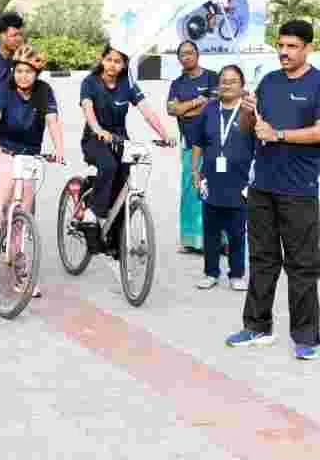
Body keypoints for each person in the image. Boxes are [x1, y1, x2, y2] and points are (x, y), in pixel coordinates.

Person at [227, 20, 320, 359]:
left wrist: (279, 134)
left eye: (292, 46)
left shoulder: (317, 83)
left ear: (307, 47)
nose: (283, 52)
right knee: (262, 259)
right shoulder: (268, 81)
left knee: (302, 265)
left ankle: (307, 337)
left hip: (300, 189)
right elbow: (248, 129)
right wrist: (249, 114)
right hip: (262, 187)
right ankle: (256, 327)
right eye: (281, 45)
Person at [0, 46, 66, 275]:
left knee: (23, 210)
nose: (23, 76)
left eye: (29, 71)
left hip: (27, 157)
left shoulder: (44, 91)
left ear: (37, 73)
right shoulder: (4, 90)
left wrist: (60, 149)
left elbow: (52, 121)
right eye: (19, 70)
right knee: (5, 180)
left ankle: (18, 259)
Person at [78, 44, 175, 255]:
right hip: (95, 138)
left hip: (120, 139)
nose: (113, 65)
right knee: (109, 165)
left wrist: (164, 135)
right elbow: (88, 109)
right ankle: (91, 214)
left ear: (124, 65)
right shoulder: (90, 82)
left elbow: (147, 111)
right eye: (109, 60)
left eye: (118, 61)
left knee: (125, 177)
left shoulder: (127, 83)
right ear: (102, 60)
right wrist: (97, 130)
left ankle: (115, 233)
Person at [191, 64, 252, 291]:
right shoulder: (208, 109)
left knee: (237, 233)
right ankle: (210, 272)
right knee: (211, 232)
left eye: (233, 80)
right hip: (211, 181)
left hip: (240, 183)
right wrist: (195, 171)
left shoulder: (248, 112)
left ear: (242, 85)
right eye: (223, 81)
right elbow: (197, 143)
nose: (227, 84)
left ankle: (237, 274)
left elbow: (260, 146)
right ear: (218, 85)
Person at [168, 40, 219, 254]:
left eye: (190, 53)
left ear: (198, 54)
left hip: (215, 143)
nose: (186, 57)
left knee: (218, 188)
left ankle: (219, 241)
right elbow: (172, 110)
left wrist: (185, 108)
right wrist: (197, 102)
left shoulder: (213, 77)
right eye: (182, 54)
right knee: (191, 190)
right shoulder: (177, 83)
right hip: (189, 144)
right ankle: (191, 241)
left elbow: (214, 107)